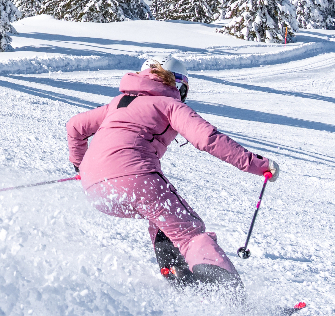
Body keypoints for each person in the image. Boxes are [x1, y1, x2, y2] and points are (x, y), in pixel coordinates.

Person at [66, 54, 277, 287]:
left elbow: (75, 126)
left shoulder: (117, 103)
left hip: (96, 191)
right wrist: (257, 164)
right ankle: (233, 301)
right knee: (191, 233)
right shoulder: (169, 104)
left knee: (163, 219)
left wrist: (81, 165)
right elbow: (207, 139)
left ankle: (179, 277)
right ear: (176, 85)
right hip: (136, 179)